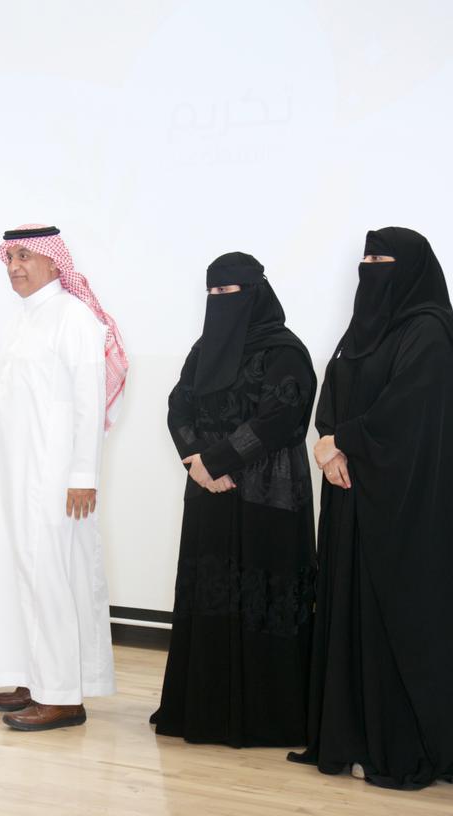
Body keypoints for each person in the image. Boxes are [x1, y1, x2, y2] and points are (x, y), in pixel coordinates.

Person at [288, 227, 453, 789]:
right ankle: (347, 736)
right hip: (349, 494)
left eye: (382, 258)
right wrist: (326, 443)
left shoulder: (429, 333)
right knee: (347, 609)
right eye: (366, 257)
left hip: (403, 509)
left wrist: (341, 440)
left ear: (411, 269)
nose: (370, 267)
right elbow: (334, 390)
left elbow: (409, 410)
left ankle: (397, 743)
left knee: (392, 614)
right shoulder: (361, 330)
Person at [0, 224, 128, 731]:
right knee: (24, 575)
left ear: (55, 263)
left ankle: (62, 697)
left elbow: (88, 402)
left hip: (56, 477)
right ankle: (36, 678)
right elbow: (18, 394)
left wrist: (83, 475)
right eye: (9, 258)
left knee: (52, 578)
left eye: (24, 256)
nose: (14, 267)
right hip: (17, 472)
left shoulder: (73, 318)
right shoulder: (24, 318)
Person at [151, 252, 316, 747]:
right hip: (210, 492)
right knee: (212, 594)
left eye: (229, 291)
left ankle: (269, 719)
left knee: (265, 597)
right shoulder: (205, 348)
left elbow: (281, 418)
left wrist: (216, 459)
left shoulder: (285, 350)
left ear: (256, 292)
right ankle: (205, 712)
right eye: (213, 292)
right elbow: (178, 405)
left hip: (268, 495)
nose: (220, 300)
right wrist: (196, 462)